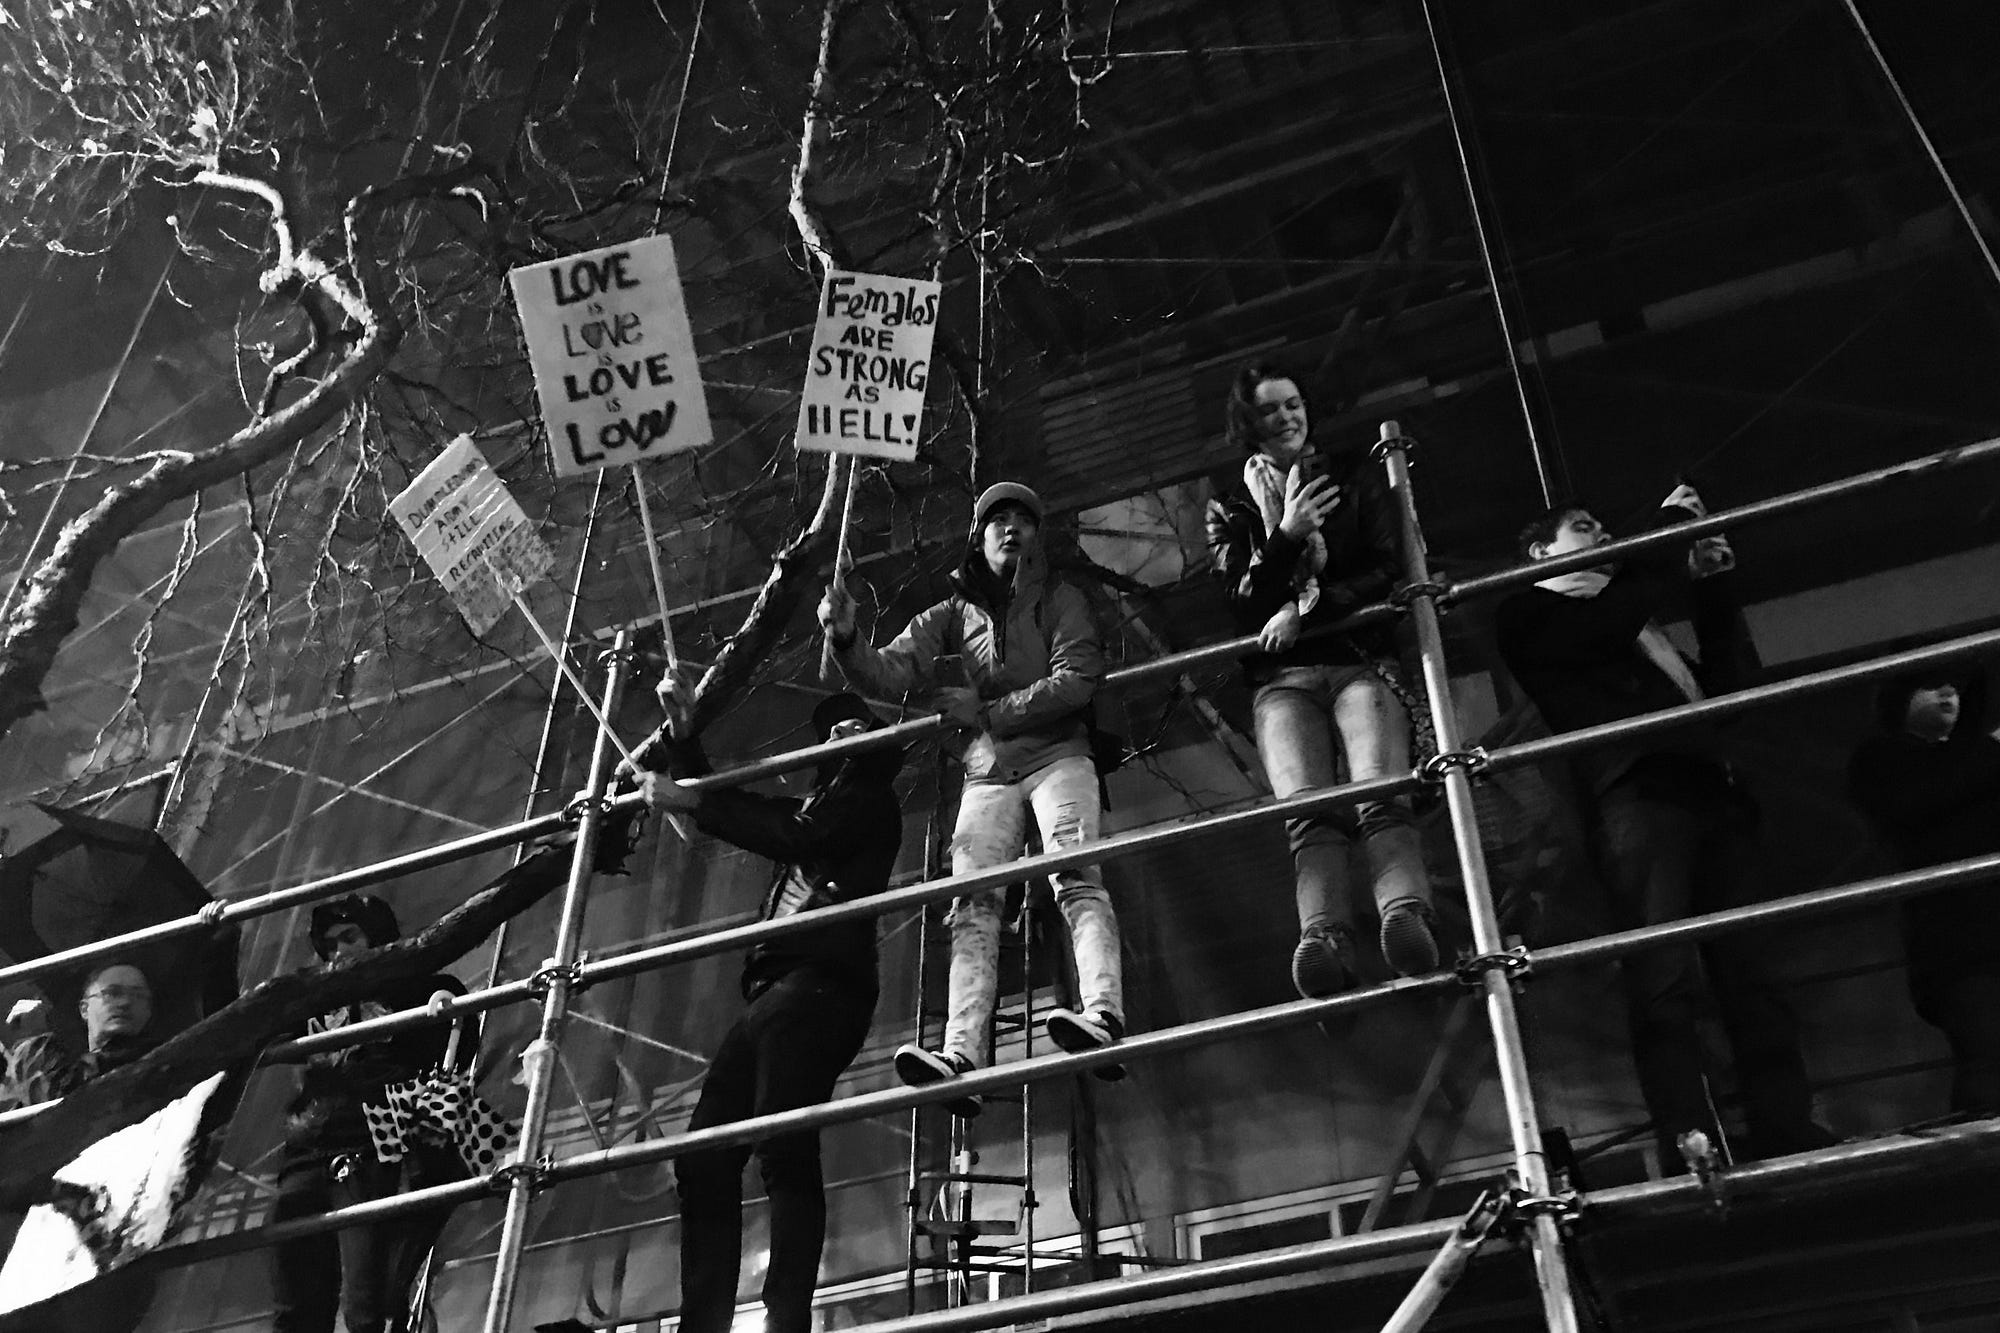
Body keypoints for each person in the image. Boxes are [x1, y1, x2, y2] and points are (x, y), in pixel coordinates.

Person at [1496, 485, 1831, 1171]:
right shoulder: (1532, 612)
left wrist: (1712, 590)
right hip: (1638, 795)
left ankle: (1785, 1125)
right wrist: (1672, 530)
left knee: (1750, 969)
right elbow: (1603, 625)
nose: (1602, 534)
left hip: (1710, 786)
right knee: (1662, 975)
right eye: (1584, 526)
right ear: (1539, 553)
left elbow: (1726, 694)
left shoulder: (1637, 618)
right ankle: (1689, 1141)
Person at [818, 481, 1122, 1116]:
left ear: (1038, 537)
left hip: (1059, 757)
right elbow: (889, 672)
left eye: (1022, 520)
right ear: (978, 539)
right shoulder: (952, 613)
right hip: (989, 772)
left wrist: (985, 711)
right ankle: (962, 1056)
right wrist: (847, 640)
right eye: (997, 520)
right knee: (971, 903)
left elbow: (1077, 680)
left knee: (1075, 877)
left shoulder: (1062, 599)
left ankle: (1103, 1015)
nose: (1010, 528)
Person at [641, 684, 906, 1333]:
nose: (840, 733)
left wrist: (694, 800)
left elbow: (789, 832)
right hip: (776, 989)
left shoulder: (868, 800)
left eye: (855, 725)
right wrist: (684, 738)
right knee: (705, 1155)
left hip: (820, 983)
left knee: (782, 1145)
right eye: (832, 727)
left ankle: (785, 1318)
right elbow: (747, 809)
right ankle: (704, 1322)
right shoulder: (817, 808)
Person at [1203, 362, 1437, 997]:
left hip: (1357, 657)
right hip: (1281, 678)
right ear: (1248, 423)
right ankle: (1325, 941)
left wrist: (1304, 611)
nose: (1287, 417)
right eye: (1270, 409)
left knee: (1379, 792)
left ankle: (1405, 916)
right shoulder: (1229, 505)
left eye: (1294, 404)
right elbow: (1239, 602)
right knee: (1309, 815)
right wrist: (1285, 535)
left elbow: (1388, 567)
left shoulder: (1352, 476)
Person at [268, 895, 469, 1333]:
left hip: (376, 1143)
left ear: (376, 937)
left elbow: (454, 1052)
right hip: (309, 1148)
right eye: (329, 945)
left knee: (367, 1304)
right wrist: (218, 947)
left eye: (349, 937)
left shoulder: (423, 989)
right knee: (296, 1307)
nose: (339, 952)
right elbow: (248, 1031)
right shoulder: (314, 1006)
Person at [1848, 667, 2000, 1116]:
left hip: (1971, 931)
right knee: (1988, 1059)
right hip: (1959, 941)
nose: (1948, 691)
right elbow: (1920, 800)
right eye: (1930, 684)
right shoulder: (1882, 759)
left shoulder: (1973, 758)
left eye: (1954, 683)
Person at [3, 960, 159, 1107]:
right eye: (112, 993)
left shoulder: (155, 1058)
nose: (125, 1003)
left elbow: (59, 1108)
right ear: (85, 1009)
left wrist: (37, 1039)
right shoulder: (79, 1067)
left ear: (149, 1011)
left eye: (138, 995)